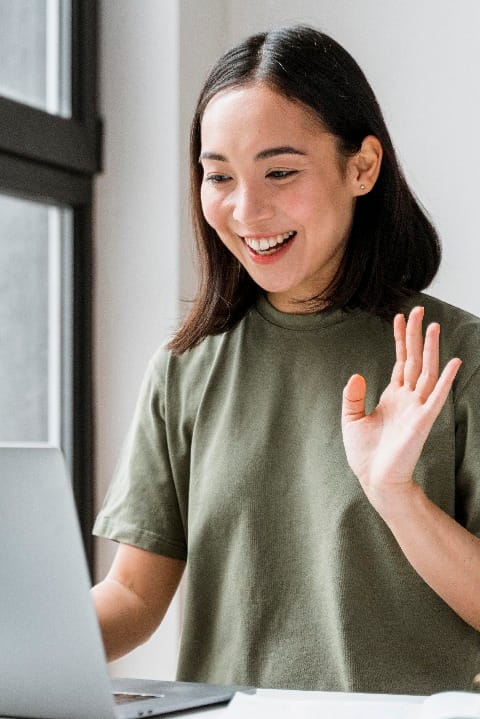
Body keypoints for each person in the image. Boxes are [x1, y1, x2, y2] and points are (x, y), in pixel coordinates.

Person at [92, 25, 480, 695]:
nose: (247, 209)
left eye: (280, 171)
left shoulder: (457, 357)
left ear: (362, 166)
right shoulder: (185, 366)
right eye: (219, 176)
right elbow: (132, 593)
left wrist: (398, 497)